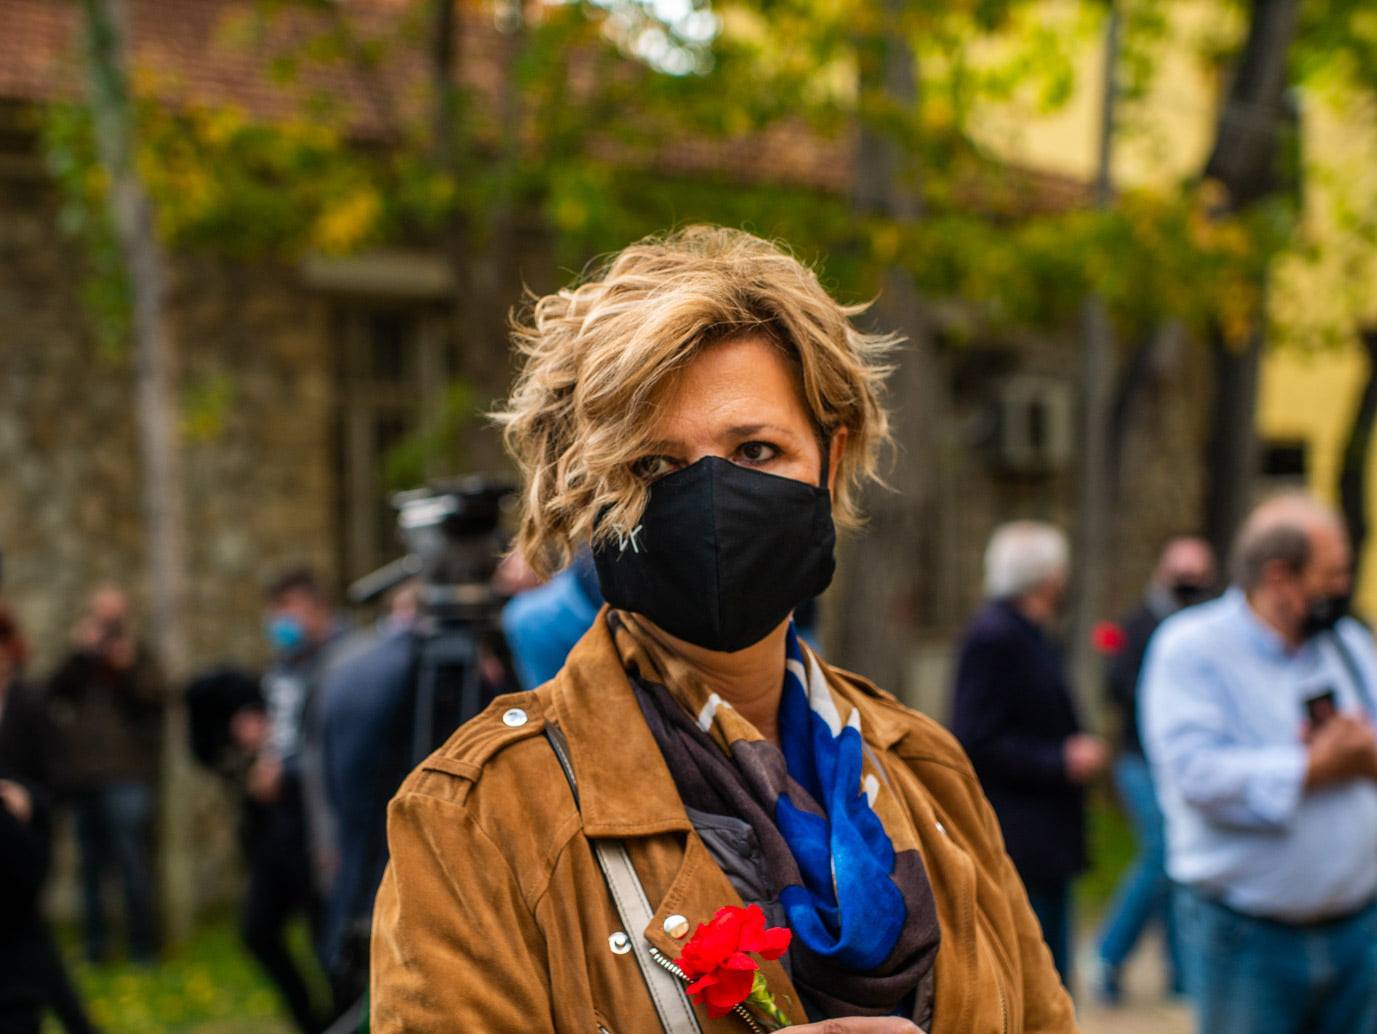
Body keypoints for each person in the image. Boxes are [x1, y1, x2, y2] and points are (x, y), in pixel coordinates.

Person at [371, 226, 1077, 1033]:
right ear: (585, 490)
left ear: (830, 460)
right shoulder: (478, 818)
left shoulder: (926, 771)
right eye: (652, 465)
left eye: (755, 450)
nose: (712, 500)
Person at [1141, 495, 1377, 1034]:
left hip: (1358, 932)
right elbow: (1196, 775)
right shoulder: (1191, 649)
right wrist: (1312, 766)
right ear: (1279, 578)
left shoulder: (1347, 644)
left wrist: (1360, 754)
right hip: (1245, 940)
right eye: (1332, 575)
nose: (1344, 587)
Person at [950, 521, 1107, 987]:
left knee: (1053, 968)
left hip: (1046, 832)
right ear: (1048, 577)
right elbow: (975, 738)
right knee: (1034, 974)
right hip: (1018, 834)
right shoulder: (994, 637)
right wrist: (1060, 760)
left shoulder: (1030, 633)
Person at [1093, 535, 1215, 1004]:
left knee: (1182, 861)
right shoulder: (1139, 624)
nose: (1190, 584)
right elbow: (1115, 685)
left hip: (1184, 766)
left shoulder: (1206, 626)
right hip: (1140, 760)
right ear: (1164, 573)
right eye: (1183, 574)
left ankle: (1181, 971)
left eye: (1198, 575)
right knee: (1162, 853)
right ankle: (1108, 954)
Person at [241, 568, 345, 1034]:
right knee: (258, 929)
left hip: (322, 819)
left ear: (315, 608)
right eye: (274, 611)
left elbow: (339, 745)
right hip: (280, 820)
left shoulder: (343, 662)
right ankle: (316, 1022)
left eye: (287, 610)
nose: (279, 621)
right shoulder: (284, 665)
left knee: (330, 938)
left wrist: (288, 769)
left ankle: (343, 1019)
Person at [47, 586, 163, 965]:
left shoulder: (138, 655)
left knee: (132, 862)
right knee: (90, 868)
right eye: (100, 613)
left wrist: (126, 668)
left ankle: (142, 947)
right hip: (85, 778)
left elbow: (154, 702)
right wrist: (80, 654)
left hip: (127, 776)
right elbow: (54, 693)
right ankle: (96, 947)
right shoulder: (81, 661)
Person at [0, 607, 100, 1034]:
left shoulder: (31, 701)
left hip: (23, 841)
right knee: (29, 942)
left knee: (25, 936)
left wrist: (25, 797)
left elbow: (60, 777)